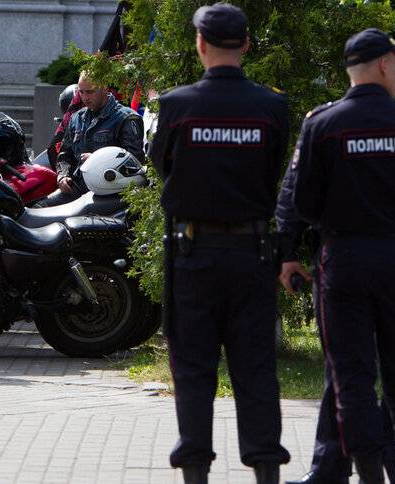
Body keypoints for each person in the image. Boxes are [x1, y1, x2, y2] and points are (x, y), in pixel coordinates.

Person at [290, 28, 395, 484]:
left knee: (352, 379)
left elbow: (302, 203)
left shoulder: (322, 124)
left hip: (343, 260)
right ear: (382, 65)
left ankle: (369, 476)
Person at [148, 4, 291, 483]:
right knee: (255, 371)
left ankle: (195, 475)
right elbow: (274, 172)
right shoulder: (272, 106)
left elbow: (163, 168)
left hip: (194, 255)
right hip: (253, 253)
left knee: (192, 371)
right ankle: (266, 473)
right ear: (247, 46)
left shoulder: (177, 105)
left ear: (200, 44)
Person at [278, 165, 395, 484]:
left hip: (370, 258)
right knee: (348, 370)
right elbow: (295, 187)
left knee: (381, 371)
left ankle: (386, 466)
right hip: (372, 258)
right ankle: (333, 467)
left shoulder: (328, 123)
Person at [41, 71, 143, 207]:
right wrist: (63, 176)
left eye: (90, 92)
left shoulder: (127, 118)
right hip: (77, 187)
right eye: (81, 92)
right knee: (39, 208)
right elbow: (65, 155)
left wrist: (99, 160)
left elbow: (134, 161)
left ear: (105, 88)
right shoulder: (76, 118)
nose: (84, 97)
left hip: (111, 191)